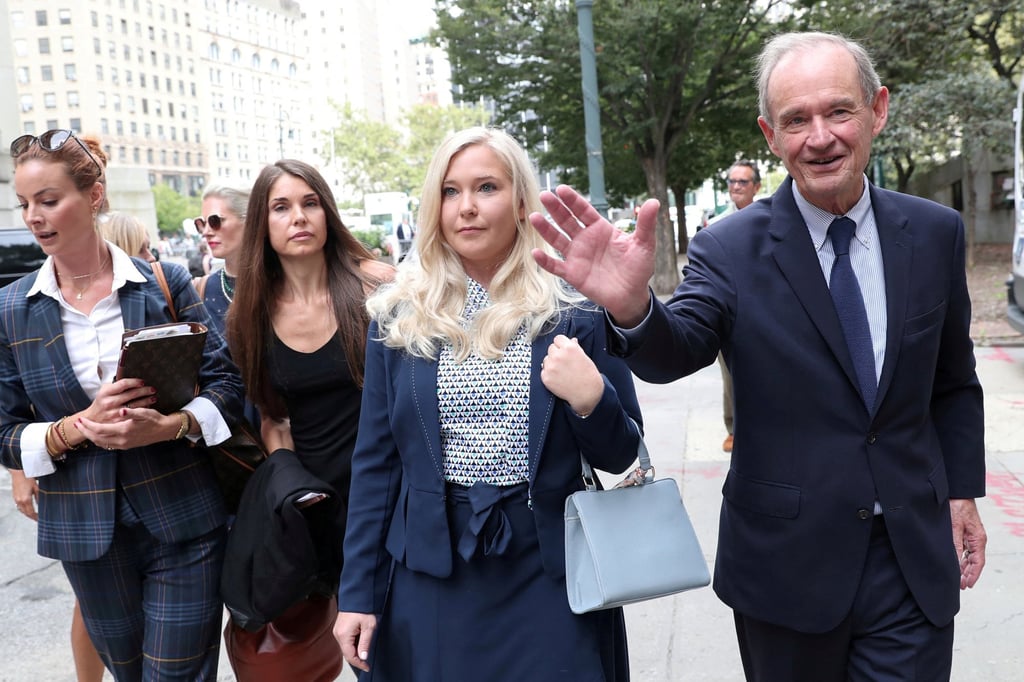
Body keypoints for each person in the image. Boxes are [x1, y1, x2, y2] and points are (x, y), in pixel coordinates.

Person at [529, 32, 987, 682]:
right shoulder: (730, 248)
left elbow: (953, 383)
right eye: (796, 120)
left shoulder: (936, 233)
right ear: (770, 135)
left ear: (878, 110)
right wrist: (633, 309)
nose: (819, 136)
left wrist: (963, 492)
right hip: (787, 570)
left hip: (909, 563)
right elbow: (675, 349)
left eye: (838, 111)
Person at [334, 127, 642, 681]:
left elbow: (626, 460)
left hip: (551, 570)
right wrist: (357, 591)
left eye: (487, 188)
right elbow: (376, 466)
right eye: (450, 192)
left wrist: (592, 399)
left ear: (522, 201)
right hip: (432, 572)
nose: (467, 208)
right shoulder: (399, 315)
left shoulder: (575, 310)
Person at [0, 129, 245, 681]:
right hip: (85, 533)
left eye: (48, 200)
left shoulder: (163, 282)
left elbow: (226, 387)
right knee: (130, 674)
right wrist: (75, 430)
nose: (34, 217)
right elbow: (6, 433)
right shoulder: (11, 309)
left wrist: (172, 425)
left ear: (93, 195)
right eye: (24, 204)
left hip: (184, 518)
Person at [223, 159, 393, 679]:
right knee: (365, 655)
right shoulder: (249, 315)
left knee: (417, 644)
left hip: (395, 491)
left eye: (309, 202)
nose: (298, 216)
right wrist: (298, 495)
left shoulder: (377, 287)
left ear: (327, 212)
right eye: (281, 207)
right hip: (325, 511)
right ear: (263, 225)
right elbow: (272, 419)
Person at [708, 160, 762, 452]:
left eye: (743, 182)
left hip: (764, 312)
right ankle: (734, 428)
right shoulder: (718, 226)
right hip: (729, 312)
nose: (737, 187)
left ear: (756, 186)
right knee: (730, 375)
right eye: (732, 181)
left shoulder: (769, 221)